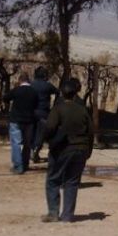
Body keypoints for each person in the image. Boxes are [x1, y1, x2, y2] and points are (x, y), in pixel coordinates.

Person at [42, 80, 94, 223]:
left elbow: (50, 128)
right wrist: (88, 151)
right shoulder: (83, 110)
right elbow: (90, 132)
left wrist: (47, 139)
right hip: (80, 149)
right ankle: (67, 215)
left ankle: (53, 213)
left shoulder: (58, 109)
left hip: (62, 149)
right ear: (75, 93)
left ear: (62, 93)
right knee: (72, 182)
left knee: (53, 180)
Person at [2, 72, 39, 174]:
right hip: (29, 121)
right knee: (27, 144)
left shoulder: (16, 90)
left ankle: (18, 166)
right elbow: (37, 105)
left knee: (16, 143)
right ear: (29, 80)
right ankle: (25, 164)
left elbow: (5, 98)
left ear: (20, 81)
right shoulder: (34, 92)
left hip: (16, 119)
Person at [30, 66, 58, 163]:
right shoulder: (48, 86)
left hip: (31, 112)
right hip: (43, 112)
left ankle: (31, 150)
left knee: (32, 132)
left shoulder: (31, 84)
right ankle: (36, 150)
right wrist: (55, 104)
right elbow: (58, 92)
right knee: (41, 133)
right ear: (45, 75)